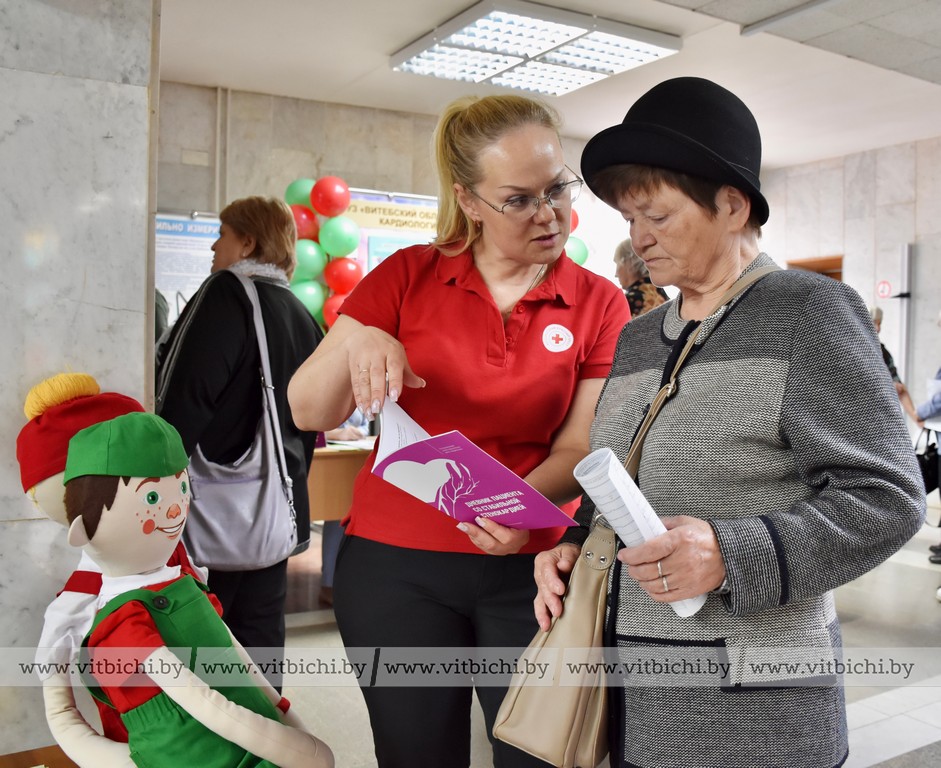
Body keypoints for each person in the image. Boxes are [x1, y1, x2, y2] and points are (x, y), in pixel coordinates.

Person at [534, 77, 925, 768]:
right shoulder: (638, 336)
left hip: (752, 712)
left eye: (655, 214)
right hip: (626, 690)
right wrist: (575, 544)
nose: (639, 238)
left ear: (731, 205)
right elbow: (624, 478)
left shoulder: (810, 312)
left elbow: (888, 500)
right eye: (629, 220)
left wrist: (728, 553)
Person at [287, 93, 630, 767]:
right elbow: (307, 410)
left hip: (535, 569)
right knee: (417, 753)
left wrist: (511, 509)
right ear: (468, 200)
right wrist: (359, 345)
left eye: (557, 187)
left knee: (541, 751)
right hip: (395, 571)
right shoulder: (406, 276)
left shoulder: (598, 302)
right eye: (519, 198)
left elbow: (577, 444)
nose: (549, 212)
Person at [155, 196, 323, 688]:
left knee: (205, 642)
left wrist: (153, 477)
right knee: (261, 639)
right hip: (273, 511)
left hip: (214, 512)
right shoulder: (299, 313)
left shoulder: (227, 294)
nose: (213, 244)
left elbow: (184, 399)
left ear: (247, 241)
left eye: (223, 233)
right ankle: (270, 743)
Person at [319, 410, 370, 607]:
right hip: (327, 460)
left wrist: (358, 432)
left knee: (344, 515)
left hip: (355, 455)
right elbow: (308, 428)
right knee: (336, 517)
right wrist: (335, 434)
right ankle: (329, 585)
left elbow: (366, 425)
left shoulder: (359, 388)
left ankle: (347, 582)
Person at [870, 306, 921, 425]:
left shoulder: (883, 354)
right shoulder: (852, 350)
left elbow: (899, 388)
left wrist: (918, 419)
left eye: (879, 323)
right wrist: (888, 385)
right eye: (873, 323)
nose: (877, 328)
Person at [613, 237, 668, 317]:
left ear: (629, 262)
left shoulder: (628, 302)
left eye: (617, 263)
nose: (616, 274)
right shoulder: (662, 296)